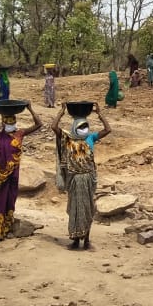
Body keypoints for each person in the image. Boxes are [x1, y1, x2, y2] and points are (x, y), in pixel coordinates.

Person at [0, 101, 42, 241]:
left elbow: (38, 124)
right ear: (4, 123)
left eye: (13, 122)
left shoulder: (19, 134)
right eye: (9, 122)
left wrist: (30, 108)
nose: (12, 125)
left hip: (11, 177)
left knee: (8, 201)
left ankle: (4, 228)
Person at [52, 102, 111, 250]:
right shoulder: (68, 139)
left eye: (86, 127)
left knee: (87, 209)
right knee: (75, 210)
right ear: (74, 127)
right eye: (81, 127)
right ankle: (76, 240)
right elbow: (54, 127)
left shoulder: (90, 139)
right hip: (74, 180)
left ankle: (86, 240)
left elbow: (108, 129)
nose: (84, 130)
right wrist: (61, 111)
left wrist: (99, 113)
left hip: (87, 178)